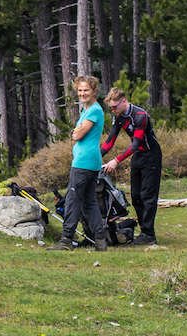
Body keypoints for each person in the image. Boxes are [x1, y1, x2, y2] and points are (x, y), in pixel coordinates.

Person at [48, 75, 107, 251]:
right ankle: (100, 240)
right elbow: (76, 133)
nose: (82, 93)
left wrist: (76, 132)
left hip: (84, 163)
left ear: (94, 91)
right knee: (89, 202)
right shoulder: (86, 110)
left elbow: (78, 135)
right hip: (90, 162)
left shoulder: (95, 110)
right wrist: (76, 132)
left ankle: (66, 240)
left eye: (86, 90)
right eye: (80, 90)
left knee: (72, 199)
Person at [102, 88, 162, 246]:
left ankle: (149, 234)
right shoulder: (119, 116)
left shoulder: (140, 115)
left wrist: (116, 160)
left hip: (151, 155)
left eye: (115, 107)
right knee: (135, 196)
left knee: (147, 196)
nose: (113, 110)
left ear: (123, 101)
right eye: (110, 108)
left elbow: (136, 144)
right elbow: (109, 142)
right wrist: (93, 158)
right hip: (138, 156)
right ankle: (144, 231)